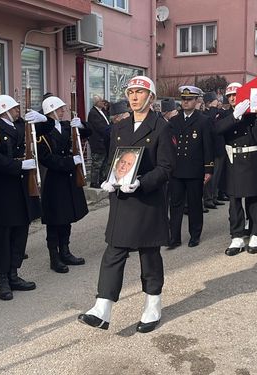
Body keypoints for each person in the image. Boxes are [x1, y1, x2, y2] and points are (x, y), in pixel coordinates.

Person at [78, 75, 174, 333]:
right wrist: (110, 179)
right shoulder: (119, 127)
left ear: (151, 98)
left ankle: (153, 304)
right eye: (130, 92)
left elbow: (166, 168)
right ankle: (102, 307)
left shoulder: (161, 127)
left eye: (139, 93)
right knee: (114, 252)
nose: (133, 97)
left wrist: (142, 182)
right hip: (122, 199)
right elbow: (113, 160)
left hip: (147, 199)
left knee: (149, 254)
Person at [0, 94, 43, 300]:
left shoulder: (21, 124)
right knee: (3, 235)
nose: (17, 111)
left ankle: (14, 273)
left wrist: (43, 119)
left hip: (22, 186)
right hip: (5, 188)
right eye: (14, 108)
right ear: (3, 110)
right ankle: (2, 279)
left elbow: (44, 131)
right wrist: (19, 165)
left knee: (20, 231)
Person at [36, 95, 90, 273]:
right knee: (54, 220)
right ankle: (54, 257)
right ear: (50, 110)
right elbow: (46, 158)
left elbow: (88, 132)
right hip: (54, 179)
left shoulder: (67, 126)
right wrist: (69, 162)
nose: (63, 111)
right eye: (59, 109)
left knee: (66, 218)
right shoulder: (41, 132)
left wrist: (80, 124)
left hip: (68, 179)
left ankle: (65, 251)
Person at [215, 97, 257, 255]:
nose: (232, 99)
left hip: (252, 160)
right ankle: (236, 236)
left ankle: (256, 233)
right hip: (233, 161)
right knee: (234, 201)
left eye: (236, 95)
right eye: (229, 96)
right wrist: (234, 116)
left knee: (255, 200)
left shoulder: (252, 116)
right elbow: (216, 130)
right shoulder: (224, 116)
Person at [167, 85, 214, 248]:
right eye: (183, 99)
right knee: (175, 205)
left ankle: (195, 235)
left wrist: (208, 169)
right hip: (177, 169)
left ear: (196, 101)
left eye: (189, 99)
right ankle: (174, 237)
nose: (185, 102)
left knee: (194, 204)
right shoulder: (174, 120)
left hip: (195, 169)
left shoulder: (204, 120)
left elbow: (208, 146)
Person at [87, 95, 111, 188]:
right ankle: (94, 182)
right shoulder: (93, 113)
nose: (103, 103)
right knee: (97, 163)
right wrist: (109, 130)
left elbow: (107, 121)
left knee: (104, 163)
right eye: (102, 101)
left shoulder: (103, 111)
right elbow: (100, 127)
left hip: (105, 141)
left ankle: (102, 180)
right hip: (98, 141)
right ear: (97, 103)